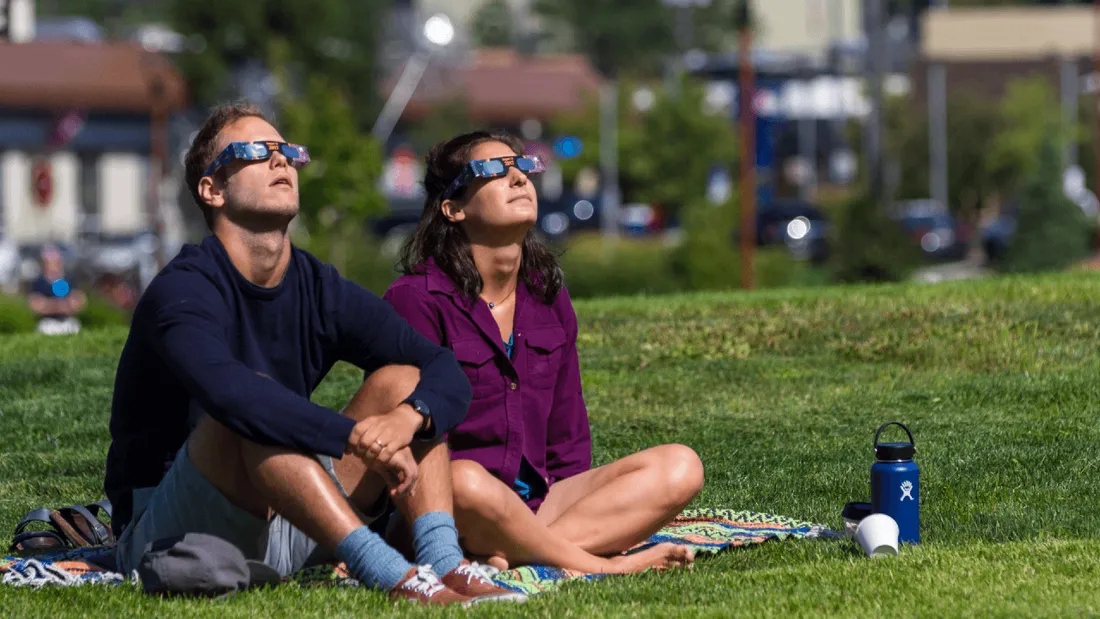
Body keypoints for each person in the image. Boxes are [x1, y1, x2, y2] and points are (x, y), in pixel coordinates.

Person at [103, 104, 524, 605]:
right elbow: (233, 396)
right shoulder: (183, 290)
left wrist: (407, 420)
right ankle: (393, 575)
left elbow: (442, 368)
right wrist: (353, 438)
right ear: (212, 190)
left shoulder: (316, 284)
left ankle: (442, 562)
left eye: (287, 152)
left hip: (291, 511)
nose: (281, 162)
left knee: (404, 382)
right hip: (174, 533)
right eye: (257, 152)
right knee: (251, 405)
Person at [383, 130, 705, 574]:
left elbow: (567, 435)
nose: (518, 178)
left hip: (537, 502)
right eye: (494, 170)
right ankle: (598, 563)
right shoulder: (415, 299)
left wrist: (579, 498)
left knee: (681, 466)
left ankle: (519, 557)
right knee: (467, 481)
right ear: (454, 208)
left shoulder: (545, 294)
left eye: (522, 166)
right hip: (454, 504)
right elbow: (408, 442)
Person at [28, 244, 86, 335]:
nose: (52, 265)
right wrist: (59, 305)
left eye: (55, 262)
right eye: (49, 262)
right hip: (47, 323)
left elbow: (78, 302)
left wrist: (49, 304)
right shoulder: (38, 283)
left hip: (68, 321)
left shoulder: (69, 280)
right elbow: (36, 305)